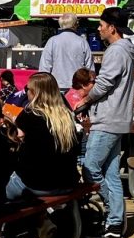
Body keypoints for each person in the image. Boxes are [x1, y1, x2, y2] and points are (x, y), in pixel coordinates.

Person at [75, 7, 134, 238]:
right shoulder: (126, 51)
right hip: (118, 118)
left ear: (112, 27)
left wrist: (85, 100)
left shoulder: (115, 51)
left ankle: (114, 217)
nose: (99, 28)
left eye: (101, 24)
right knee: (111, 173)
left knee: (90, 167)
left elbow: (102, 84)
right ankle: (114, 224)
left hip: (108, 119)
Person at [5, 72, 81, 203]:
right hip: (68, 182)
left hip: (38, 184)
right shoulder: (66, 116)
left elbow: (16, 136)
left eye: (27, 89)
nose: (26, 92)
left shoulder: (30, 114)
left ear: (35, 92)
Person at [40, 14, 93, 91]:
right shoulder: (82, 42)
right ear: (75, 24)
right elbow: (90, 68)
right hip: (78, 87)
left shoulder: (52, 41)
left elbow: (45, 67)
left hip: (56, 86)